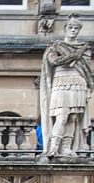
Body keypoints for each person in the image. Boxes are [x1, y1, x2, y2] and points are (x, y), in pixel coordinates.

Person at [40, 14, 94, 159]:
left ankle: (66, 148)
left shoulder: (84, 49)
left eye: (76, 28)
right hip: (61, 82)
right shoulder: (56, 46)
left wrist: (89, 87)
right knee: (61, 116)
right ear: (65, 28)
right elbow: (53, 61)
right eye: (71, 27)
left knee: (73, 118)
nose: (73, 30)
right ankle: (53, 148)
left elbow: (89, 70)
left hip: (78, 84)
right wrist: (72, 56)